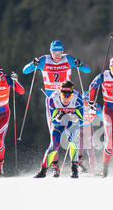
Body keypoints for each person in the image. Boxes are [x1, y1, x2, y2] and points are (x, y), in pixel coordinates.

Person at [22, 40, 90, 176]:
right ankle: (54, 167)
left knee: (72, 138)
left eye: (59, 52)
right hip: (52, 101)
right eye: (54, 52)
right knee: (54, 137)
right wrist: (32, 63)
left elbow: (87, 70)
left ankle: (74, 167)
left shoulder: (68, 59)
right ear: (50, 52)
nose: (57, 55)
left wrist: (79, 64)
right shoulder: (44, 60)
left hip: (69, 100)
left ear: (62, 51)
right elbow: (25, 71)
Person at [34, 80, 84, 178]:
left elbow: (81, 120)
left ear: (72, 94)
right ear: (60, 93)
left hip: (72, 122)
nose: (65, 99)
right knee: (54, 145)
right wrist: (59, 117)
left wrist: (71, 117)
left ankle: (74, 169)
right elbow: (53, 120)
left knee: (73, 141)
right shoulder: (53, 99)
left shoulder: (77, 99)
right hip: (59, 123)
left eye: (68, 96)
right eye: (63, 95)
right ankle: (43, 171)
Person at [79, 90, 103, 175]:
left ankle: (94, 170)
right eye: (83, 101)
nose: (85, 103)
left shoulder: (94, 107)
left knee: (91, 151)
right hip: (78, 128)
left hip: (88, 129)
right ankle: (80, 168)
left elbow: (103, 116)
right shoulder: (79, 105)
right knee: (78, 149)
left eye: (87, 101)